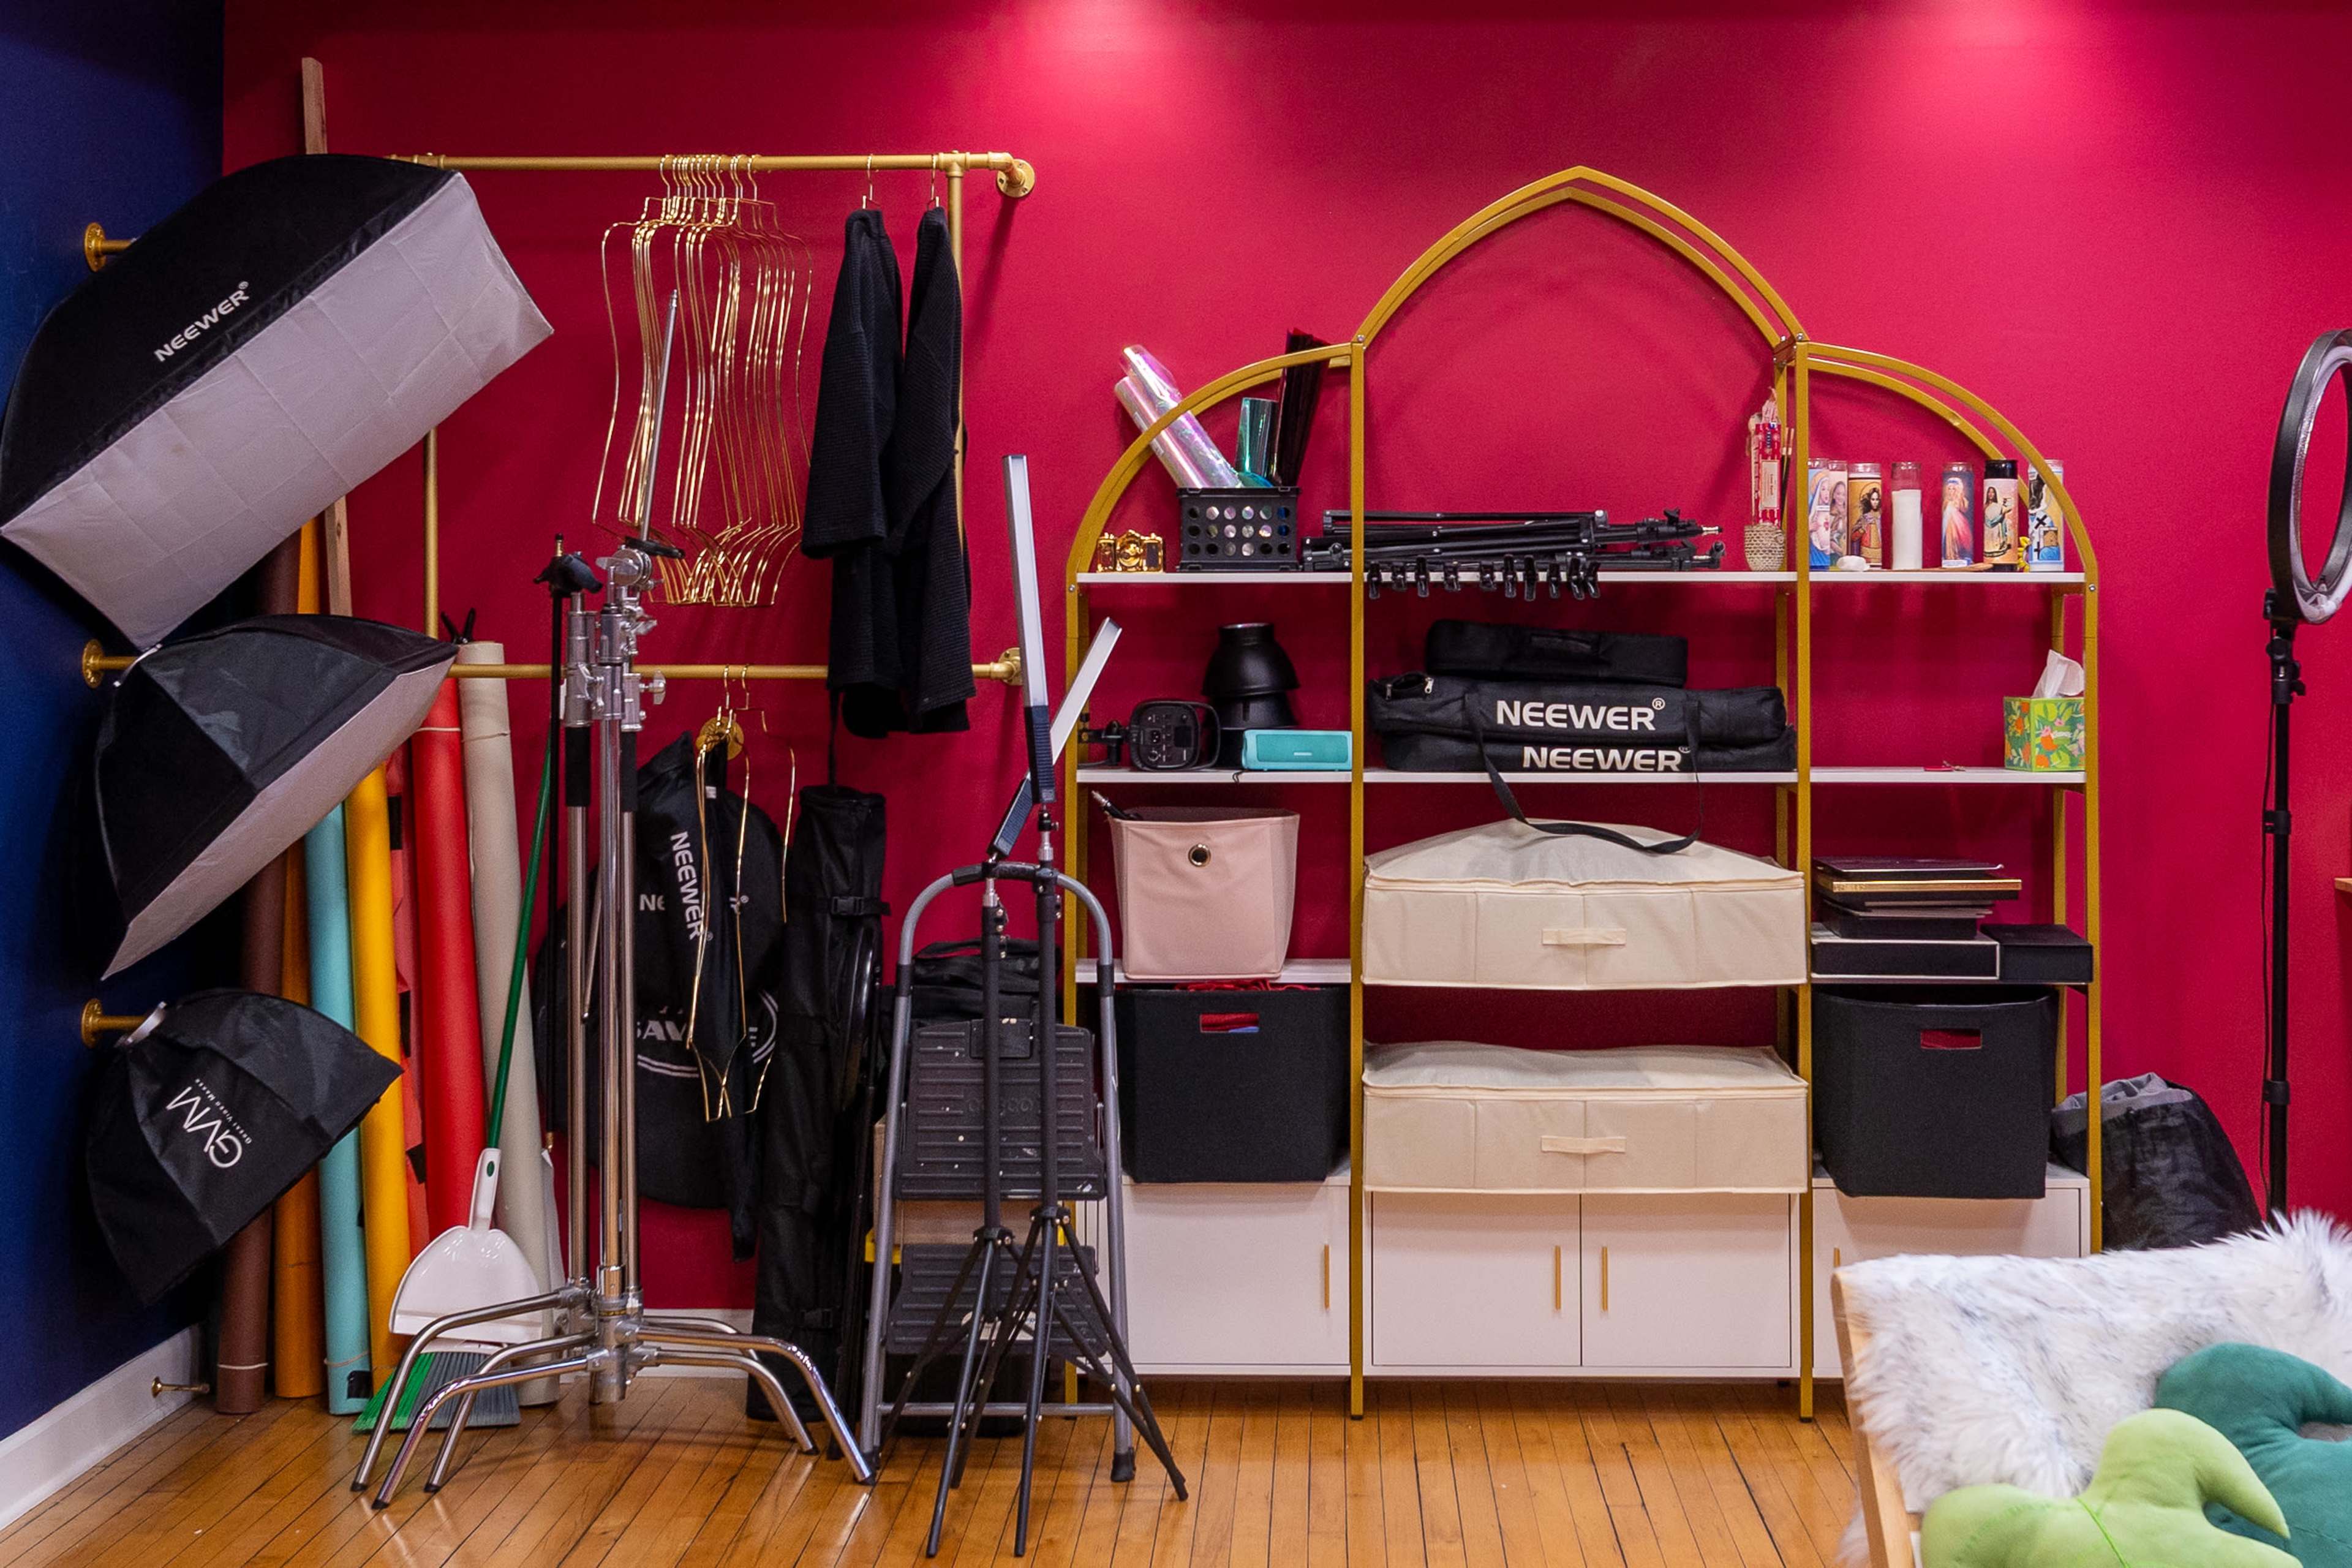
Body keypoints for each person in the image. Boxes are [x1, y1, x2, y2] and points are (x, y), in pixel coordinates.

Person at [1941, 473, 1973, 564]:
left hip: (1957, 521)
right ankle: (1949, 555)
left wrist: (1959, 498)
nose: (1951, 491)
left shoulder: (1959, 500)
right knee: (1949, 538)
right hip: (1948, 521)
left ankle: (1957, 555)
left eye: (1953, 489)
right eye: (1949, 489)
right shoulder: (1946, 500)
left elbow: (1965, 508)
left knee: (1956, 538)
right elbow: (1943, 510)